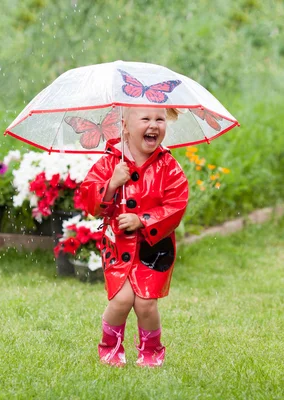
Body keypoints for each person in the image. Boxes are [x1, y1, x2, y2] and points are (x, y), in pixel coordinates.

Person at [79, 106, 189, 367]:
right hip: (118, 246)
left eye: (159, 119)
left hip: (154, 248)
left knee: (146, 303)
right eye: (145, 119)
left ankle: (151, 352)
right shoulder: (110, 163)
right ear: (125, 126)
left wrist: (143, 220)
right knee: (121, 299)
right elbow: (90, 201)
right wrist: (112, 184)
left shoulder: (168, 166)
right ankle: (110, 348)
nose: (154, 125)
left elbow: (177, 203)